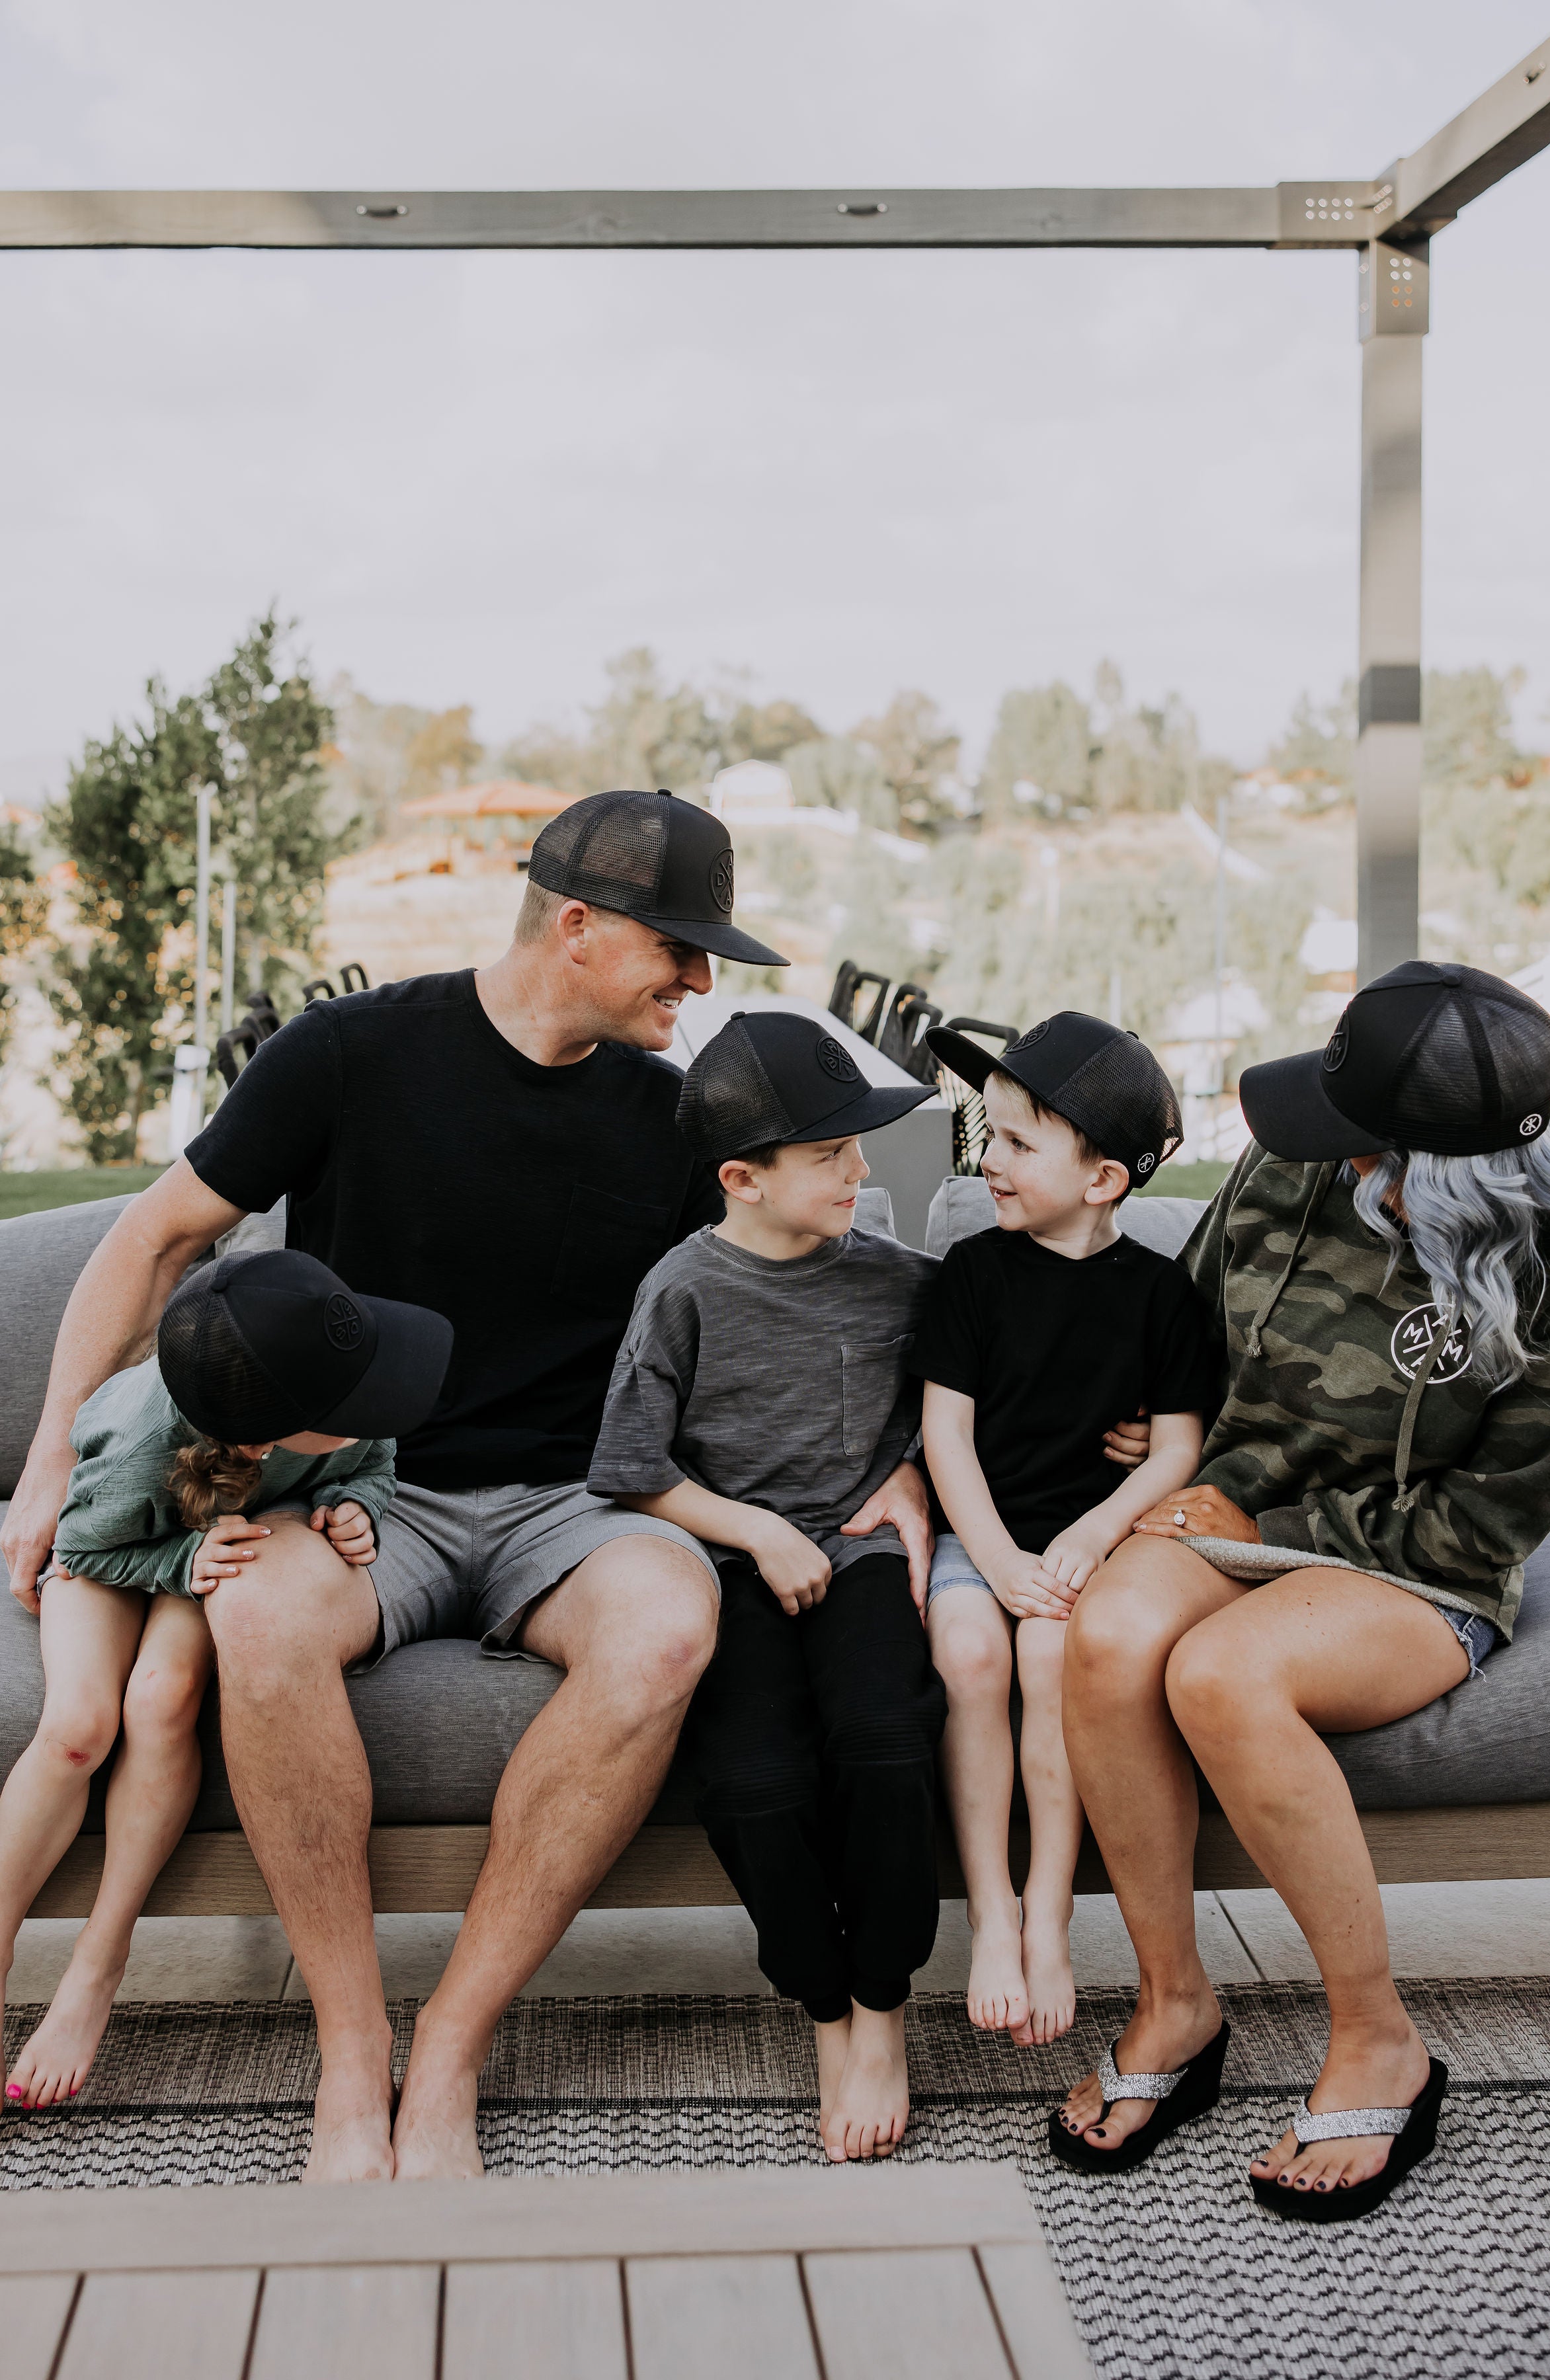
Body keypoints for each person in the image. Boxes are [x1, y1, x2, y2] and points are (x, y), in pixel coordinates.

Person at [2, 789, 942, 2184]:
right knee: (258, 1623)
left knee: (668, 1630)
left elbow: (801, 1294)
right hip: (367, 1494)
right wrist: (46, 1465)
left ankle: (447, 2044)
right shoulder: (345, 1057)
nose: (697, 983)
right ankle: (350, 2053)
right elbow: (155, 1241)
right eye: (678, 951)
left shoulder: (682, 1119)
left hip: (586, 1503)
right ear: (578, 926)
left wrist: (910, 1464)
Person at [1051, 961, 1550, 2222]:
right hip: (1220, 1514)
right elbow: (1180, 1325)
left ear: (1444, 1176)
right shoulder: (1290, 1163)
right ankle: (1176, 2003)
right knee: (1109, 1636)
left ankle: (1377, 2040)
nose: (1317, 1150)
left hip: (1409, 1566)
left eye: (1358, 1142)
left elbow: (1480, 1523)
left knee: (1223, 1673)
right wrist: (1160, 1436)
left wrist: (1264, 1519)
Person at [587, 1010, 945, 2161]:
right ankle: (824, 2004)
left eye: (860, 1149)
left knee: (886, 1741)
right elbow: (632, 1473)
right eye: (830, 1156)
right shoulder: (679, 1291)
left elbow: (992, 1401)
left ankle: (882, 2006)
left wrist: (909, 1476)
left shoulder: (902, 1283)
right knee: (751, 1780)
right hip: (726, 1565)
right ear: (741, 1178)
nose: (859, 1172)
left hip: (865, 1554)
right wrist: (749, 1530)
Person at [1, 1250, 450, 2110]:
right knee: (77, 1730)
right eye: (352, 1409)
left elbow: (372, 1466)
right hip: (118, 1549)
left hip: (220, 1536)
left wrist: (360, 1509)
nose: (375, 1403)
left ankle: (101, 1959)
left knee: (162, 1697)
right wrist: (183, 1555)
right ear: (258, 1439)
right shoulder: (140, 1445)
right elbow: (86, 1546)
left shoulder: (332, 1382)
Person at [915, 1014, 1217, 2046]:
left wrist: (1091, 1536)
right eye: (986, 1136)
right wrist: (993, 1560)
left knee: (1049, 1662)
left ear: (1102, 1181)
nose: (986, 1161)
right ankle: (988, 1916)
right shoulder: (969, 1272)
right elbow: (943, 1437)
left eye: (1015, 1143)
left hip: (1082, 1541)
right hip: (982, 1535)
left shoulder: (1158, 1292)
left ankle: (1048, 1914)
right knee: (967, 1653)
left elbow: (1176, 1447)